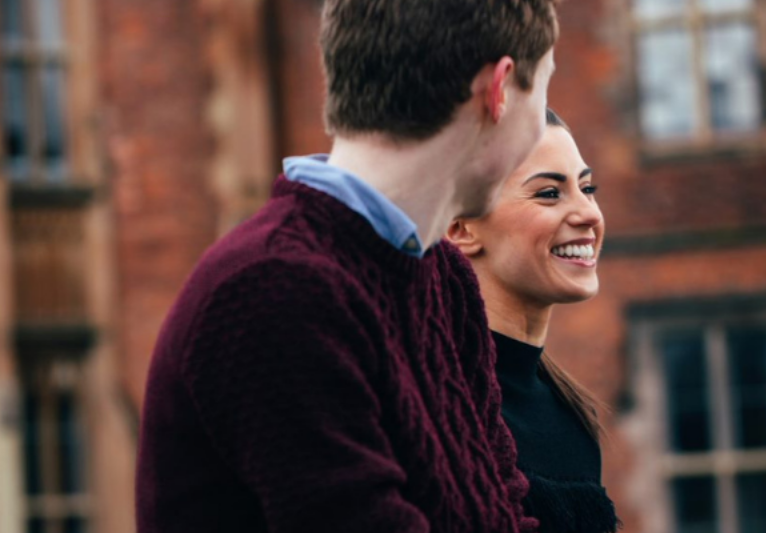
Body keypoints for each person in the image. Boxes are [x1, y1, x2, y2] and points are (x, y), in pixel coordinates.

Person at [136, 1, 559, 532]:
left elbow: (504, 511)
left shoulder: (446, 279)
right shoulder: (271, 291)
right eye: (542, 89)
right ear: (498, 89)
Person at [447, 108, 620, 533]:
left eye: (587, 187)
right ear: (461, 228)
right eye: (549, 194)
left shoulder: (570, 413)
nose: (589, 215)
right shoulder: (441, 407)